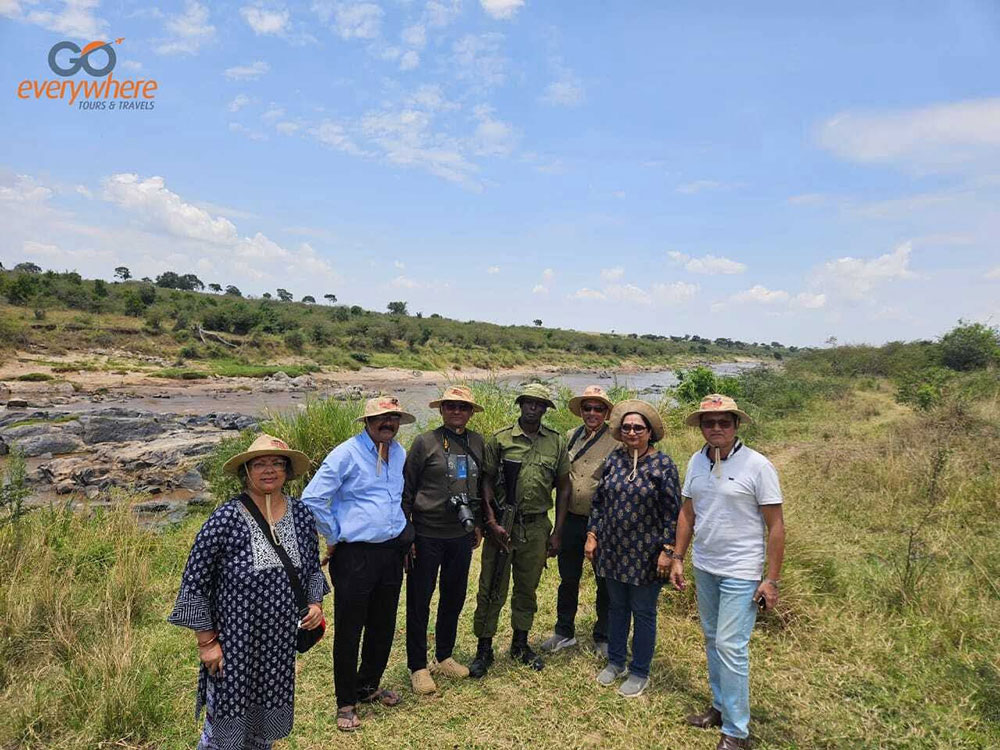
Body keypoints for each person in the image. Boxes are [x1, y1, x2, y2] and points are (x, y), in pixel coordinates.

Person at [168, 434, 327, 750]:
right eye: (260, 464)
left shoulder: (301, 515)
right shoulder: (226, 518)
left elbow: (312, 568)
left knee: (263, 726)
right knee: (222, 732)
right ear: (246, 472)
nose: (269, 470)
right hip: (234, 644)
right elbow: (195, 582)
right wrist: (207, 643)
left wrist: (315, 604)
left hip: (279, 646)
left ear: (287, 471)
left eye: (277, 463)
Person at [669, 394, 785, 750]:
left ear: (736, 425)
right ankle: (719, 707)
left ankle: (737, 732)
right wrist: (678, 557)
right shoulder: (696, 461)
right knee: (711, 638)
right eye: (709, 423)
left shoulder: (758, 466)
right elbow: (688, 513)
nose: (716, 428)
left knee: (730, 646)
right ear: (701, 427)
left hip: (741, 570)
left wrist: (771, 579)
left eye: (724, 422)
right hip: (706, 566)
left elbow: (776, 526)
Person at [301, 396, 416, 732]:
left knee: (383, 623)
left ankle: (368, 686)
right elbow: (312, 498)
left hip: (390, 552)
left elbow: (396, 498)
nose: (388, 423)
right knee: (350, 629)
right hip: (355, 555)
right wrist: (334, 534)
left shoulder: (399, 452)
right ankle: (346, 701)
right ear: (367, 421)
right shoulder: (346, 453)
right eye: (381, 418)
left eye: (393, 418)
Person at [469, 383, 571, 677]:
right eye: (528, 402)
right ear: (520, 404)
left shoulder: (556, 442)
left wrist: (558, 532)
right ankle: (484, 648)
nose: (533, 408)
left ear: (545, 409)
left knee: (527, 587)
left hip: (536, 526)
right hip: (503, 525)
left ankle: (520, 644)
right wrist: (491, 521)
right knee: (491, 586)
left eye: (539, 404)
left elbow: (564, 487)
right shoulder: (501, 439)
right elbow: (486, 481)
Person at [584, 400, 681, 698]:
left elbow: (673, 513)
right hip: (613, 550)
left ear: (650, 432)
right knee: (617, 607)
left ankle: (640, 671)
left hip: (647, 555)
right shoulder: (615, 460)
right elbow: (599, 502)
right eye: (626, 427)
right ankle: (616, 662)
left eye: (638, 427)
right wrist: (592, 535)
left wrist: (668, 550)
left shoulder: (663, 465)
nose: (631, 432)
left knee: (643, 611)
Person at [402, 385, 486, 695]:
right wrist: (406, 533)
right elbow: (407, 490)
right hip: (427, 533)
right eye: (450, 406)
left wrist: (478, 523)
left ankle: (444, 656)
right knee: (419, 600)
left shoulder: (478, 442)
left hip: (460, 535)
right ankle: (418, 666)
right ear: (441, 409)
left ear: (471, 412)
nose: (456, 411)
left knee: (454, 596)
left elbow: (481, 486)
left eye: (463, 407)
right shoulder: (425, 442)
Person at [540, 385, 618, 657]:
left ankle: (604, 636)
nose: (592, 413)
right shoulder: (570, 436)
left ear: (606, 412)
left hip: (603, 523)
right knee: (568, 578)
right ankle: (564, 631)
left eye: (598, 408)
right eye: (587, 408)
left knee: (604, 580)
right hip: (571, 518)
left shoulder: (617, 440)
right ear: (581, 411)